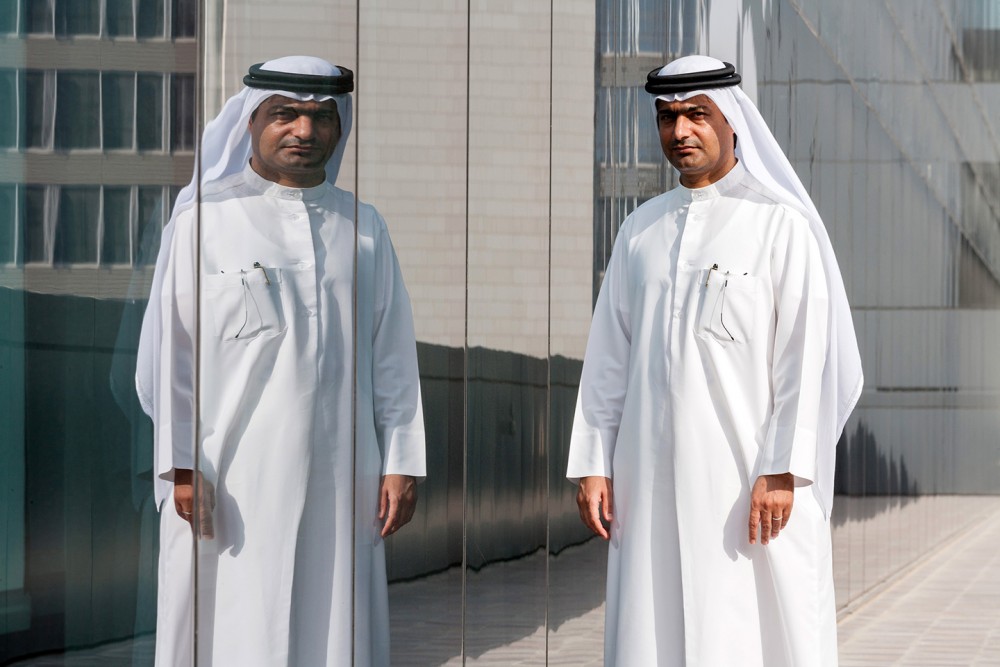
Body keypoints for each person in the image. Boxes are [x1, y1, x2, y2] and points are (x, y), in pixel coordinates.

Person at [567, 55, 863, 666]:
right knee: (655, 618)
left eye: (696, 115)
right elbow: (608, 357)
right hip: (650, 476)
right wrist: (595, 461)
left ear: (731, 121)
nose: (680, 132)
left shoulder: (780, 226)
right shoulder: (640, 231)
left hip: (747, 477)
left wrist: (783, 469)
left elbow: (804, 356)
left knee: (752, 623)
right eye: (668, 117)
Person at [136, 56, 426, 666]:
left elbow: (392, 356)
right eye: (284, 114)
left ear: (339, 128)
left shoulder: (364, 227)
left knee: (333, 622)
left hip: (342, 472)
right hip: (230, 472)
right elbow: (169, 357)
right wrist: (182, 464)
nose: (304, 130)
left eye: (321, 117)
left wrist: (400, 461)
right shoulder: (202, 223)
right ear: (250, 123)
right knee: (226, 623)